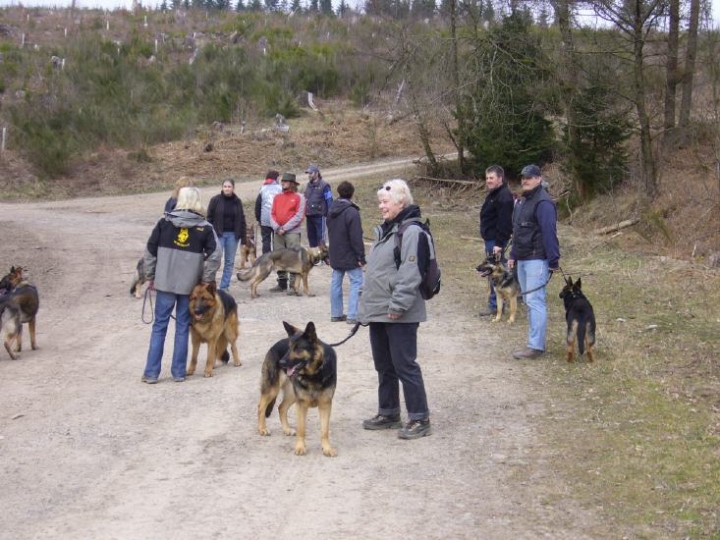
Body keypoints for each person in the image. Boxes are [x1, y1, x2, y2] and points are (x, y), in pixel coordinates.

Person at [358, 178, 432, 440]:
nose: (381, 206)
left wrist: (398, 305)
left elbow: (410, 273)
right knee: (384, 365)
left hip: (399, 313)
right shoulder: (387, 231)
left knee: (404, 365)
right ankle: (389, 412)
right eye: (380, 201)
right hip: (380, 311)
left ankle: (420, 418)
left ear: (401, 202)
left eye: (385, 201)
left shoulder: (411, 232)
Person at [141, 186, 221, 384]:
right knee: (182, 327)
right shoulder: (204, 227)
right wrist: (206, 278)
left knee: (159, 326)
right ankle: (178, 372)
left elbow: (150, 252)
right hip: (190, 288)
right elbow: (215, 255)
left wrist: (151, 275)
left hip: (165, 284)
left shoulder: (164, 223)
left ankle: (151, 373)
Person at [507, 164, 560, 360]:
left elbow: (549, 232)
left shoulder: (544, 203)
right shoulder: (523, 201)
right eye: (523, 177)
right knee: (530, 301)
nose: (525, 180)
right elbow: (518, 232)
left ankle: (535, 347)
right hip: (522, 259)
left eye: (529, 177)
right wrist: (512, 255)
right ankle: (534, 342)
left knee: (535, 301)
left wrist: (553, 259)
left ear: (539, 179)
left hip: (537, 260)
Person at [326, 181, 366, 324]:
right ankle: (353, 315)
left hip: (335, 252)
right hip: (349, 254)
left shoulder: (331, 210)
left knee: (336, 282)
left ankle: (336, 313)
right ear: (352, 193)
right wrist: (361, 256)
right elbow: (356, 237)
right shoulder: (352, 212)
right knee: (356, 282)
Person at [478, 165, 515, 317]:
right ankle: (499, 301)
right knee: (496, 270)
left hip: (496, 241)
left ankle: (495, 305)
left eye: (491, 178)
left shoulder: (504, 196)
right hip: (490, 238)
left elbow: (505, 223)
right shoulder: (495, 194)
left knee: (495, 271)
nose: (488, 181)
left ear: (500, 178)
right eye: (487, 178)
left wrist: (499, 244)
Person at [207, 178, 247, 293]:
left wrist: (243, 239)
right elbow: (209, 218)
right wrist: (208, 235)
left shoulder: (237, 201)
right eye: (225, 186)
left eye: (229, 186)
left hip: (233, 235)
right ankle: (211, 285)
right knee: (215, 260)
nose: (227, 188)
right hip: (218, 234)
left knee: (229, 262)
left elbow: (242, 219)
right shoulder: (215, 200)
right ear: (222, 187)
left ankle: (224, 286)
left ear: (233, 188)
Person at [269, 172, 306, 294]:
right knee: (278, 257)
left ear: (292, 184)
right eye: (282, 181)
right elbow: (272, 213)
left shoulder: (299, 197)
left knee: (293, 257)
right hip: (278, 232)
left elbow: (299, 215)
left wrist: (285, 227)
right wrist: (276, 227)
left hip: (292, 232)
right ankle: (281, 283)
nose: (283, 183)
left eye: (285, 181)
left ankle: (293, 285)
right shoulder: (277, 197)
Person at [303, 164, 333, 248]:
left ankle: (322, 258)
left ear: (316, 173)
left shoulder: (325, 185)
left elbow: (329, 200)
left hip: (320, 216)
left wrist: (330, 215)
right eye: (308, 173)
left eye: (311, 173)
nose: (309, 175)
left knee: (321, 239)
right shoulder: (308, 185)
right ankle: (314, 258)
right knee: (311, 238)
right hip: (309, 216)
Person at [254, 170, 282, 255]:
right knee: (277, 241)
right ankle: (276, 260)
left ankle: (266, 260)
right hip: (277, 219)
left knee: (266, 241)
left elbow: (257, 205)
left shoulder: (262, 189)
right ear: (276, 178)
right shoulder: (280, 189)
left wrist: (258, 219)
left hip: (265, 219)